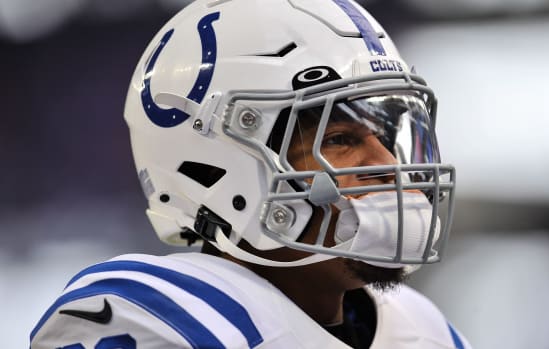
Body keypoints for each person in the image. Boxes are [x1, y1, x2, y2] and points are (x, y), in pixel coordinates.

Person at [30, 0, 470, 348]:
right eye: (339, 139)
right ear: (218, 168)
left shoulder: (421, 328)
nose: (389, 165)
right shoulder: (164, 317)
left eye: (384, 137)